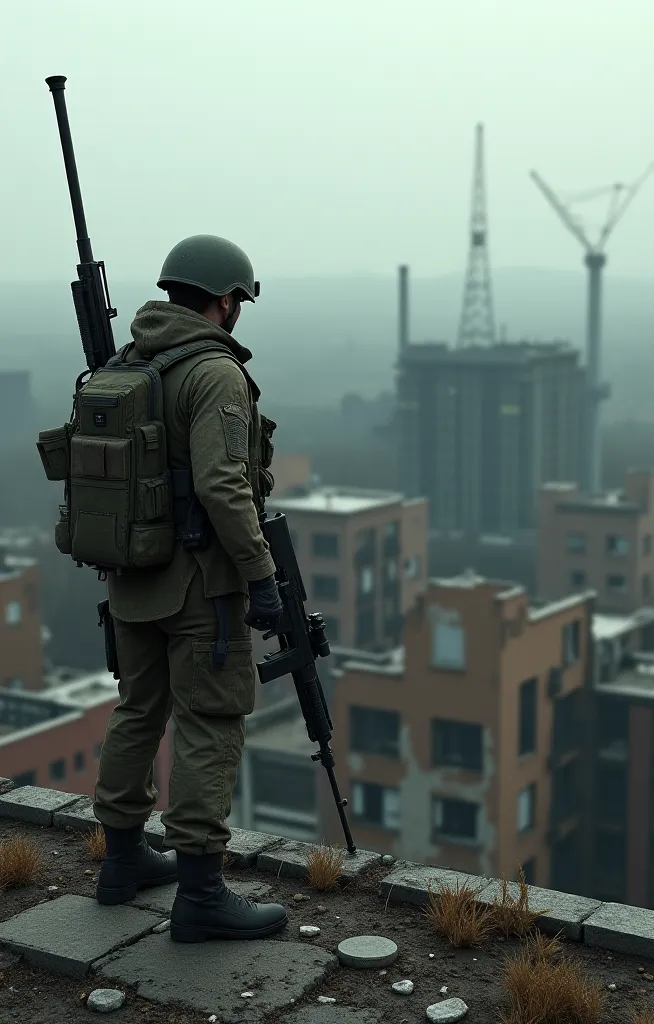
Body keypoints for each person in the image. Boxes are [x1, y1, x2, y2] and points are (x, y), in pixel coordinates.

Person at [91, 234, 288, 943]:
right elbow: (224, 485)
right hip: (202, 586)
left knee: (138, 709)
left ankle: (121, 863)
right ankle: (201, 892)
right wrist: (261, 575)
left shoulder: (128, 361)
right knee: (211, 721)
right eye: (238, 300)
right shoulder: (215, 373)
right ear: (226, 299)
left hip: (132, 577)